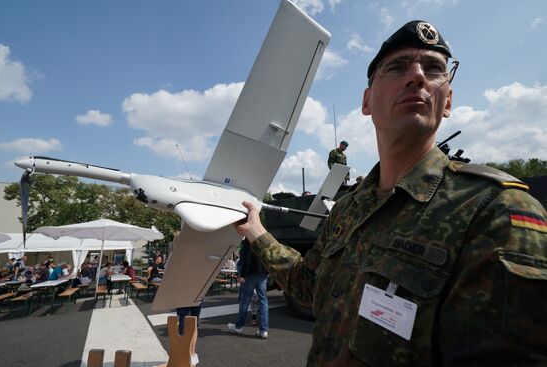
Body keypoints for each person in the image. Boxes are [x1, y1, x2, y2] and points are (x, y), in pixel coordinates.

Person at [234, 20, 547, 366]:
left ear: (448, 101)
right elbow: (309, 284)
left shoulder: (495, 212)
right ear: (367, 102)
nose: (417, 77)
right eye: (397, 67)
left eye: (433, 68)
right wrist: (256, 232)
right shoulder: (346, 211)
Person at [227, 239, 269, 339]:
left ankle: (239, 326)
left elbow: (246, 258)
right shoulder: (262, 238)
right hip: (263, 272)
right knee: (263, 300)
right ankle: (264, 330)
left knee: (245, 300)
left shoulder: (247, 241)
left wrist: (242, 275)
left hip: (250, 274)